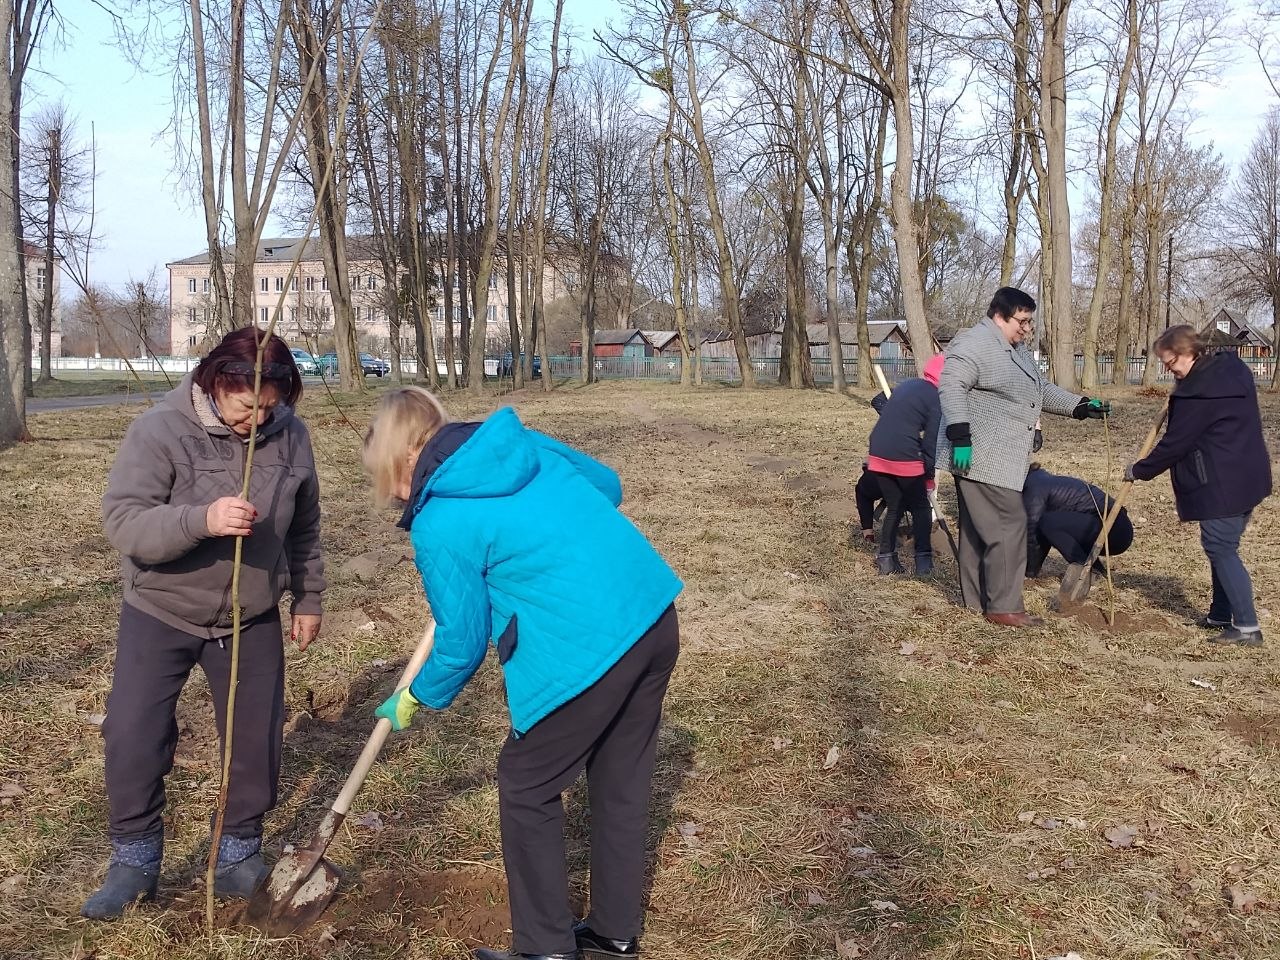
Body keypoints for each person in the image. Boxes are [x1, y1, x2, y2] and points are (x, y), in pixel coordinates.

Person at [363, 388, 682, 960]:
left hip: (585, 652)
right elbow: (607, 487)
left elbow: (460, 646)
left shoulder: (439, 520)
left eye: (390, 480)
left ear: (405, 456)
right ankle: (613, 933)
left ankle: (544, 948)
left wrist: (414, 696)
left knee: (526, 783)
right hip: (650, 614)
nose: (395, 497)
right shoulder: (519, 444)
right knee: (619, 783)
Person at [83, 327, 326, 919]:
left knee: (253, 739)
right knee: (133, 733)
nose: (257, 421)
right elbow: (126, 524)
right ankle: (135, 861)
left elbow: (306, 525)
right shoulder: (160, 432)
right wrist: (201, 520)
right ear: (218, 384)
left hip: (251, 615)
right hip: (160, 607)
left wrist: (308, 596)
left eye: (270, 408)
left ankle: (240, 853)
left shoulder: (291, 436)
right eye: (247, 408)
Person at [937, 286, 1113, 627]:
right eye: (1023, 321)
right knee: (1009, 524)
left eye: (1030, 322)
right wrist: (960, 437)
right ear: (999, 316)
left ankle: (977, 602)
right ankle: (1003, 606)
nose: (1027, 329)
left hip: (997, 456)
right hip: (981, 454)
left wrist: (1079, 406)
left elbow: (1040, 389)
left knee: (978, 528)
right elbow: (951, 385)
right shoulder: (975, 344)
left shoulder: (1012, 349)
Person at [1127, 325, 1272, 646]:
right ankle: (1221, 614)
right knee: (1223, 548)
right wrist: (1181, 385)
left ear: (1189, 353)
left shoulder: (1198, 394)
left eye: (1170, 363)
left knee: (1220, 547)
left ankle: (1247, 628)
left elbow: (1175, 444)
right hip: (1249, 474)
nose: (1168, 370)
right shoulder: (1232, 371)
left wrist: (1139, 469)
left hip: (1221, 481)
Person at [866, 353, 945, 575]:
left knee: (895, 506)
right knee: (920, 507)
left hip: (878, 448)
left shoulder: (909, 385)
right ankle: (923, 562)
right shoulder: (936, 399)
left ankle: (886, 559)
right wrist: (928, 477)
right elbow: (931, 444)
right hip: (903, 452)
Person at [1023, 463, 1133, 580]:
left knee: (1047, 522)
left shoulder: (1034, 487)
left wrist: (1029, 573)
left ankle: (1084, 570)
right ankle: (1096, 571)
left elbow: (1033, 529)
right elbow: (1043, 535)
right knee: (1050, 524)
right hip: (1117, 529)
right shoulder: (1039, 480)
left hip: (1115, 530)